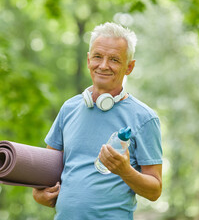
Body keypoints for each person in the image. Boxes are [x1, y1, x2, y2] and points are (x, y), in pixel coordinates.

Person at [32, 22, 162, 219]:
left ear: (129, 67)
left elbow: (155, 191)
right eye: (98, 57)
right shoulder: (69, 109)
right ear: (88, 60)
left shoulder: (144, 118)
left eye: (114, 60)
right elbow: (47, 174)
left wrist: (125, 171)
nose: (103, 65)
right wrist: (39, 194)